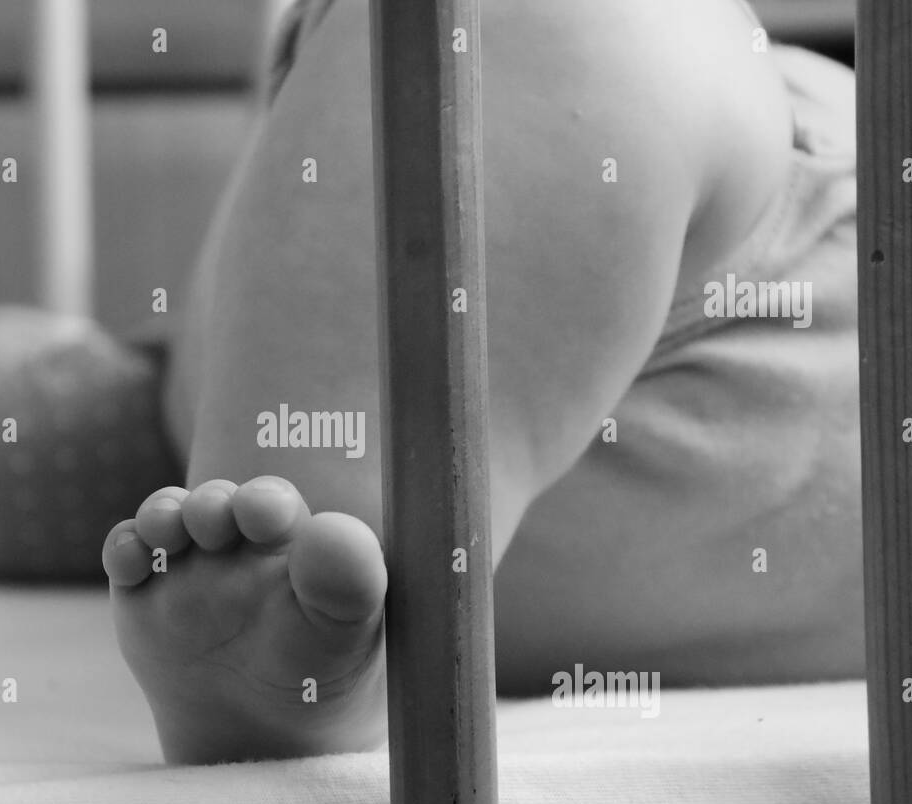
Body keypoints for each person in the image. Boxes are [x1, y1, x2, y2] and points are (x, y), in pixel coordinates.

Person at [92, 0, 861, 764]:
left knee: (111, 443)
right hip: (745, 228)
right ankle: (293, 577)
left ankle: (268, 584)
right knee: (579, 32)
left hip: (250, 410)